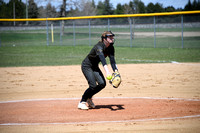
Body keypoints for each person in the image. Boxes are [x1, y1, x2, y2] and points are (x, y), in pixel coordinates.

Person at [78, 31, 119, 110]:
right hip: (87, 65)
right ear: (104, 39)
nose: (112, 38)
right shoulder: (99, 47)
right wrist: (107, 72)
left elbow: (112, 61)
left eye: (112, 36)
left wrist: (116, 71)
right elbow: (103, 60)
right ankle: (82, 102)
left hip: (94, 66)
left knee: (102, 84)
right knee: (92, 85)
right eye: (109, 37)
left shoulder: (111, 47)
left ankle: (89, 98)